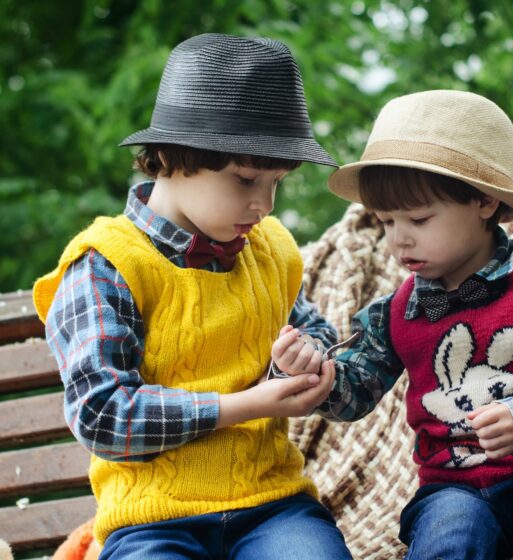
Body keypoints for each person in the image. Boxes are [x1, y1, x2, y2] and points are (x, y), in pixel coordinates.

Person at [33, 33, 353, 560]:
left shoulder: (268, 249)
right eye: (246, 178)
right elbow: (102, 415)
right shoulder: (106, 264)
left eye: (277, 182)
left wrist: (301, 360)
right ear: (166, 156)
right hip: (152, 521)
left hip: (273, 507)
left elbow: (313, 329)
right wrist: (245, 405)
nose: (264, 205)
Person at [273, 90, 513, 559]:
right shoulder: (396, 312)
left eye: (419, 218)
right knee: (448, 536)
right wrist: (312, 372)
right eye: (385, 221)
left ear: (485, 202)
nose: (398, 239)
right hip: (455, 487)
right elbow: (353, 392)